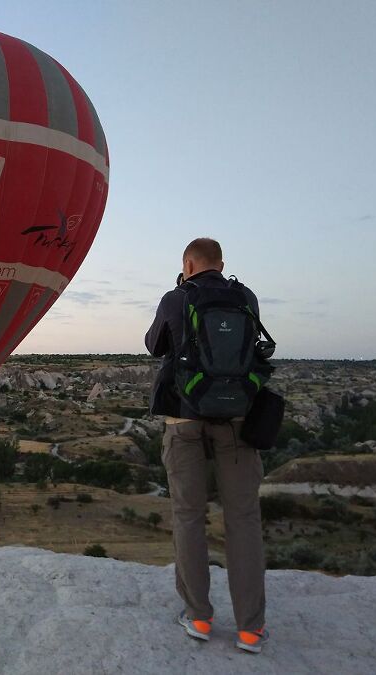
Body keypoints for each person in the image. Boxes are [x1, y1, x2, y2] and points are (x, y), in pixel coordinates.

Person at [144, 237, 269, 653]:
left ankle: (198, 616)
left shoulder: (176, 297)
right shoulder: (245, 296)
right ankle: (250, 628)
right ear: (221, 264)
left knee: (189, 517)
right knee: (244, 520)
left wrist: (178, 293)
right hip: (236, 419)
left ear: (189, 263)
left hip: (184, 417)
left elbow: (154, 345)